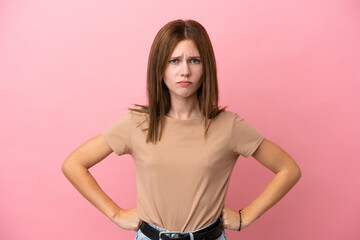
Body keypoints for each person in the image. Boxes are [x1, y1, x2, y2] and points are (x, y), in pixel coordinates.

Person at [62, 19, 302, 240]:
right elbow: (74, 164)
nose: (184, 71)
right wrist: (115, 214)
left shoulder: (229, 126)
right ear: (160, 68)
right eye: (174, 61)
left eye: (194, 60)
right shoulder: (137, 124)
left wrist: (244, 217)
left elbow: (288, 169)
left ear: (205, 67)